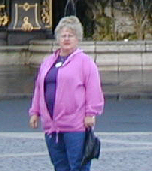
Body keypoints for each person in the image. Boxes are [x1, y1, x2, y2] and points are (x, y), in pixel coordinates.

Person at [29, 16, 104, 171]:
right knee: (59, 165)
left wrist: (91, 113)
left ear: (78, 39)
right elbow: (39, 88)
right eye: (63, 36)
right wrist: (35, 112)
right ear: (58, 39)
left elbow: (93, 88)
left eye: (71, 36)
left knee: (77, 164)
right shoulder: (48, 62)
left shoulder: (85, 62)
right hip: (52, 124)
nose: (67, 39)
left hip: (75, 124)